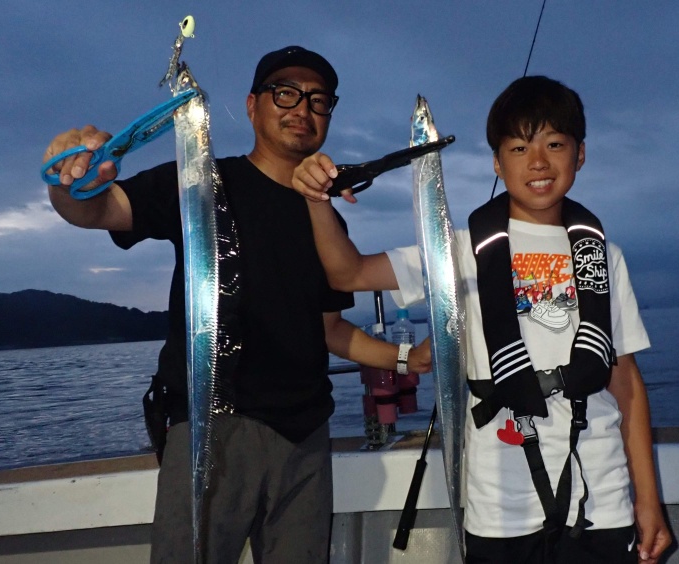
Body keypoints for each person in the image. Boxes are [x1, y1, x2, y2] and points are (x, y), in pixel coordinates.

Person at [43, 46, 430, 563]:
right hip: (211, 425)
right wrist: (69, 178)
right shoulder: (199, 184)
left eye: (318, 100)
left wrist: (407, 359)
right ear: (252, 106)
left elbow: (332, 330)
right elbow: (95, 211)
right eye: (285, 93)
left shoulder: (327, 219)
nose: (302, 109)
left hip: (305, 436)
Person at [293, 76, 672, 563]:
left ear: (580, 154)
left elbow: (626, 383)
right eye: (519, 148)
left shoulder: (603, 256)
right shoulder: (455, 251)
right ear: (496, 162)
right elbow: (349, 272)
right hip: (498, 506)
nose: (538, 162)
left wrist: (647, 498)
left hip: (602, 500)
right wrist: (317, 200)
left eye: (555, 144)